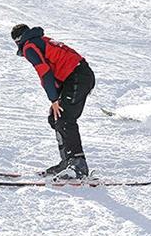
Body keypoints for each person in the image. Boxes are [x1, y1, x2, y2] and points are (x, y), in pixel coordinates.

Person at [11, 24, 95, 179]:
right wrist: (55, 100)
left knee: (64, 118)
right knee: (56, 117)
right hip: (78, 76)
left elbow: (45, 72)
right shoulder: (40, 40)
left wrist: (54, 99)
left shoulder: (29, 46)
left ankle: (78, 165)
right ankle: (67, 161)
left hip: (77, 77)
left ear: (17, 41)